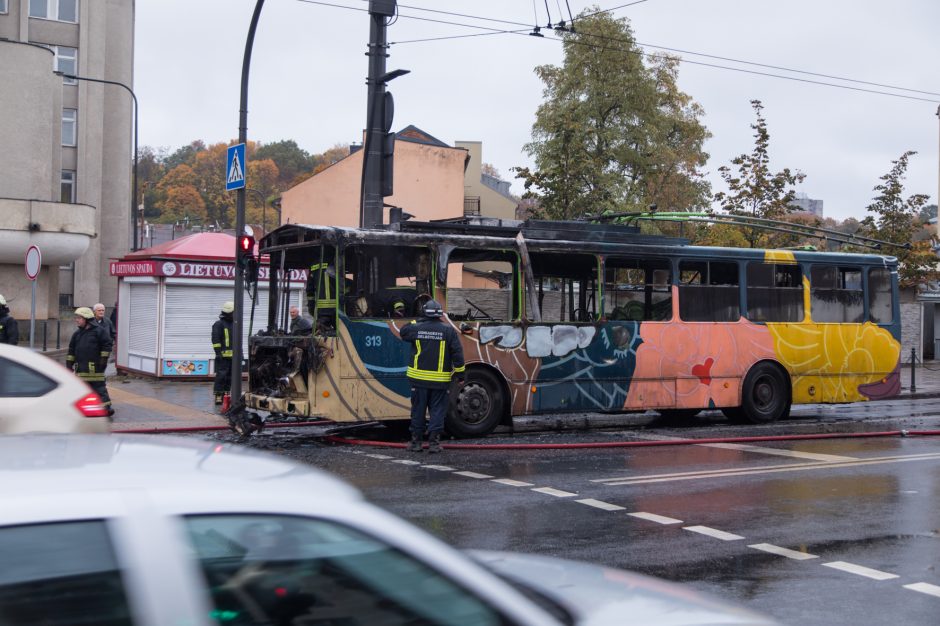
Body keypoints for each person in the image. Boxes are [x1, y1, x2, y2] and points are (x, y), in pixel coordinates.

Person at [399, 299, 465, 453]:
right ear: (440, 314)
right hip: (439, 382)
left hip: (418, 381)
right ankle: (434, 444)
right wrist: (461, 374)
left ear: (424, 313)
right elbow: (458, 354)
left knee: (418, 411)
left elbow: (403, 331)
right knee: (437, 412)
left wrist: (418, 319)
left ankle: (416, 443)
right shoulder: (448, 331)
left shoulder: (416, 328)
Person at [67, 307, 113, 417]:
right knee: (82, 390)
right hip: (81, 368)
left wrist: (103, 360)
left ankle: (106, 408)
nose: (76, 320)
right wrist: (69, 365)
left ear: (87, 319)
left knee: (99, 388)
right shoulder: (77, 334)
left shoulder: (99, 331)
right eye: (76, 318)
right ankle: (83, 409)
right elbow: (71, 350)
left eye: (79, 318)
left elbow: (107, 345)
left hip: (95, 368)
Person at [212, 301, 235, 406]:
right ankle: (218, 396)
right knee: (221, 377)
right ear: (229, 312)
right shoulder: (218, 324)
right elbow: (216, 341)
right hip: (222, 357)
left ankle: (226, 395)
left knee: (230, 377)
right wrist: (218, 353)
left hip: (233, 357)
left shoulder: (235, 324)